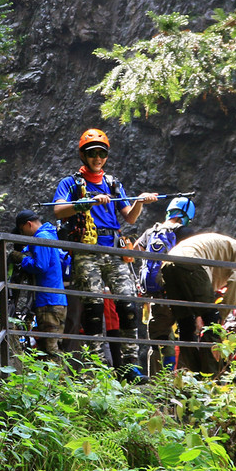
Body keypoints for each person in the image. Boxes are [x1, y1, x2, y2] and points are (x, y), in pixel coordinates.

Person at [51, 128, 158, 380]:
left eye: (102, 153)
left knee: (128, 303)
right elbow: (58, 210)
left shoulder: (112, 183)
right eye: (92, 154)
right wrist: (86, 202)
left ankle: (130, 366)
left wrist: (141, 201)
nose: (97, 158)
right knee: (93, 307)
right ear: (83, 156)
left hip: (114, 247)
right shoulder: (71, 183)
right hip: (87, 249)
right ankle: (99, 367)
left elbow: (129, 217)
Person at [159, 232, 236, 375]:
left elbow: (202, 287)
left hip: (168, 264)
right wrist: (220, 317)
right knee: (212, 324)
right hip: (191, 261)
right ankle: (211, 378)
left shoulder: (225, 251)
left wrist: (198, 314)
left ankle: (194, 374)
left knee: (186, 325)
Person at [133, 197, 196, 374]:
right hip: (178, 294)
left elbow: (134, 250)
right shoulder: (185, 232)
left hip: (156, 296)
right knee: (186, 336)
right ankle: (182, 379)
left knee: (159, 339)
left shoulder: (151, 231)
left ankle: (157, 381)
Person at [12, 210, 68, 357]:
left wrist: (22, 259)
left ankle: (58, 379)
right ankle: (60, 378)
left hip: (48, 300)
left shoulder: (41, 237)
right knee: (55, 346)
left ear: (28, 224)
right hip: (58, 300)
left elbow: (40, 266)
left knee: (49, 349)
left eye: (21, 230)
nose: (23, 234)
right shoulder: (51, 235)